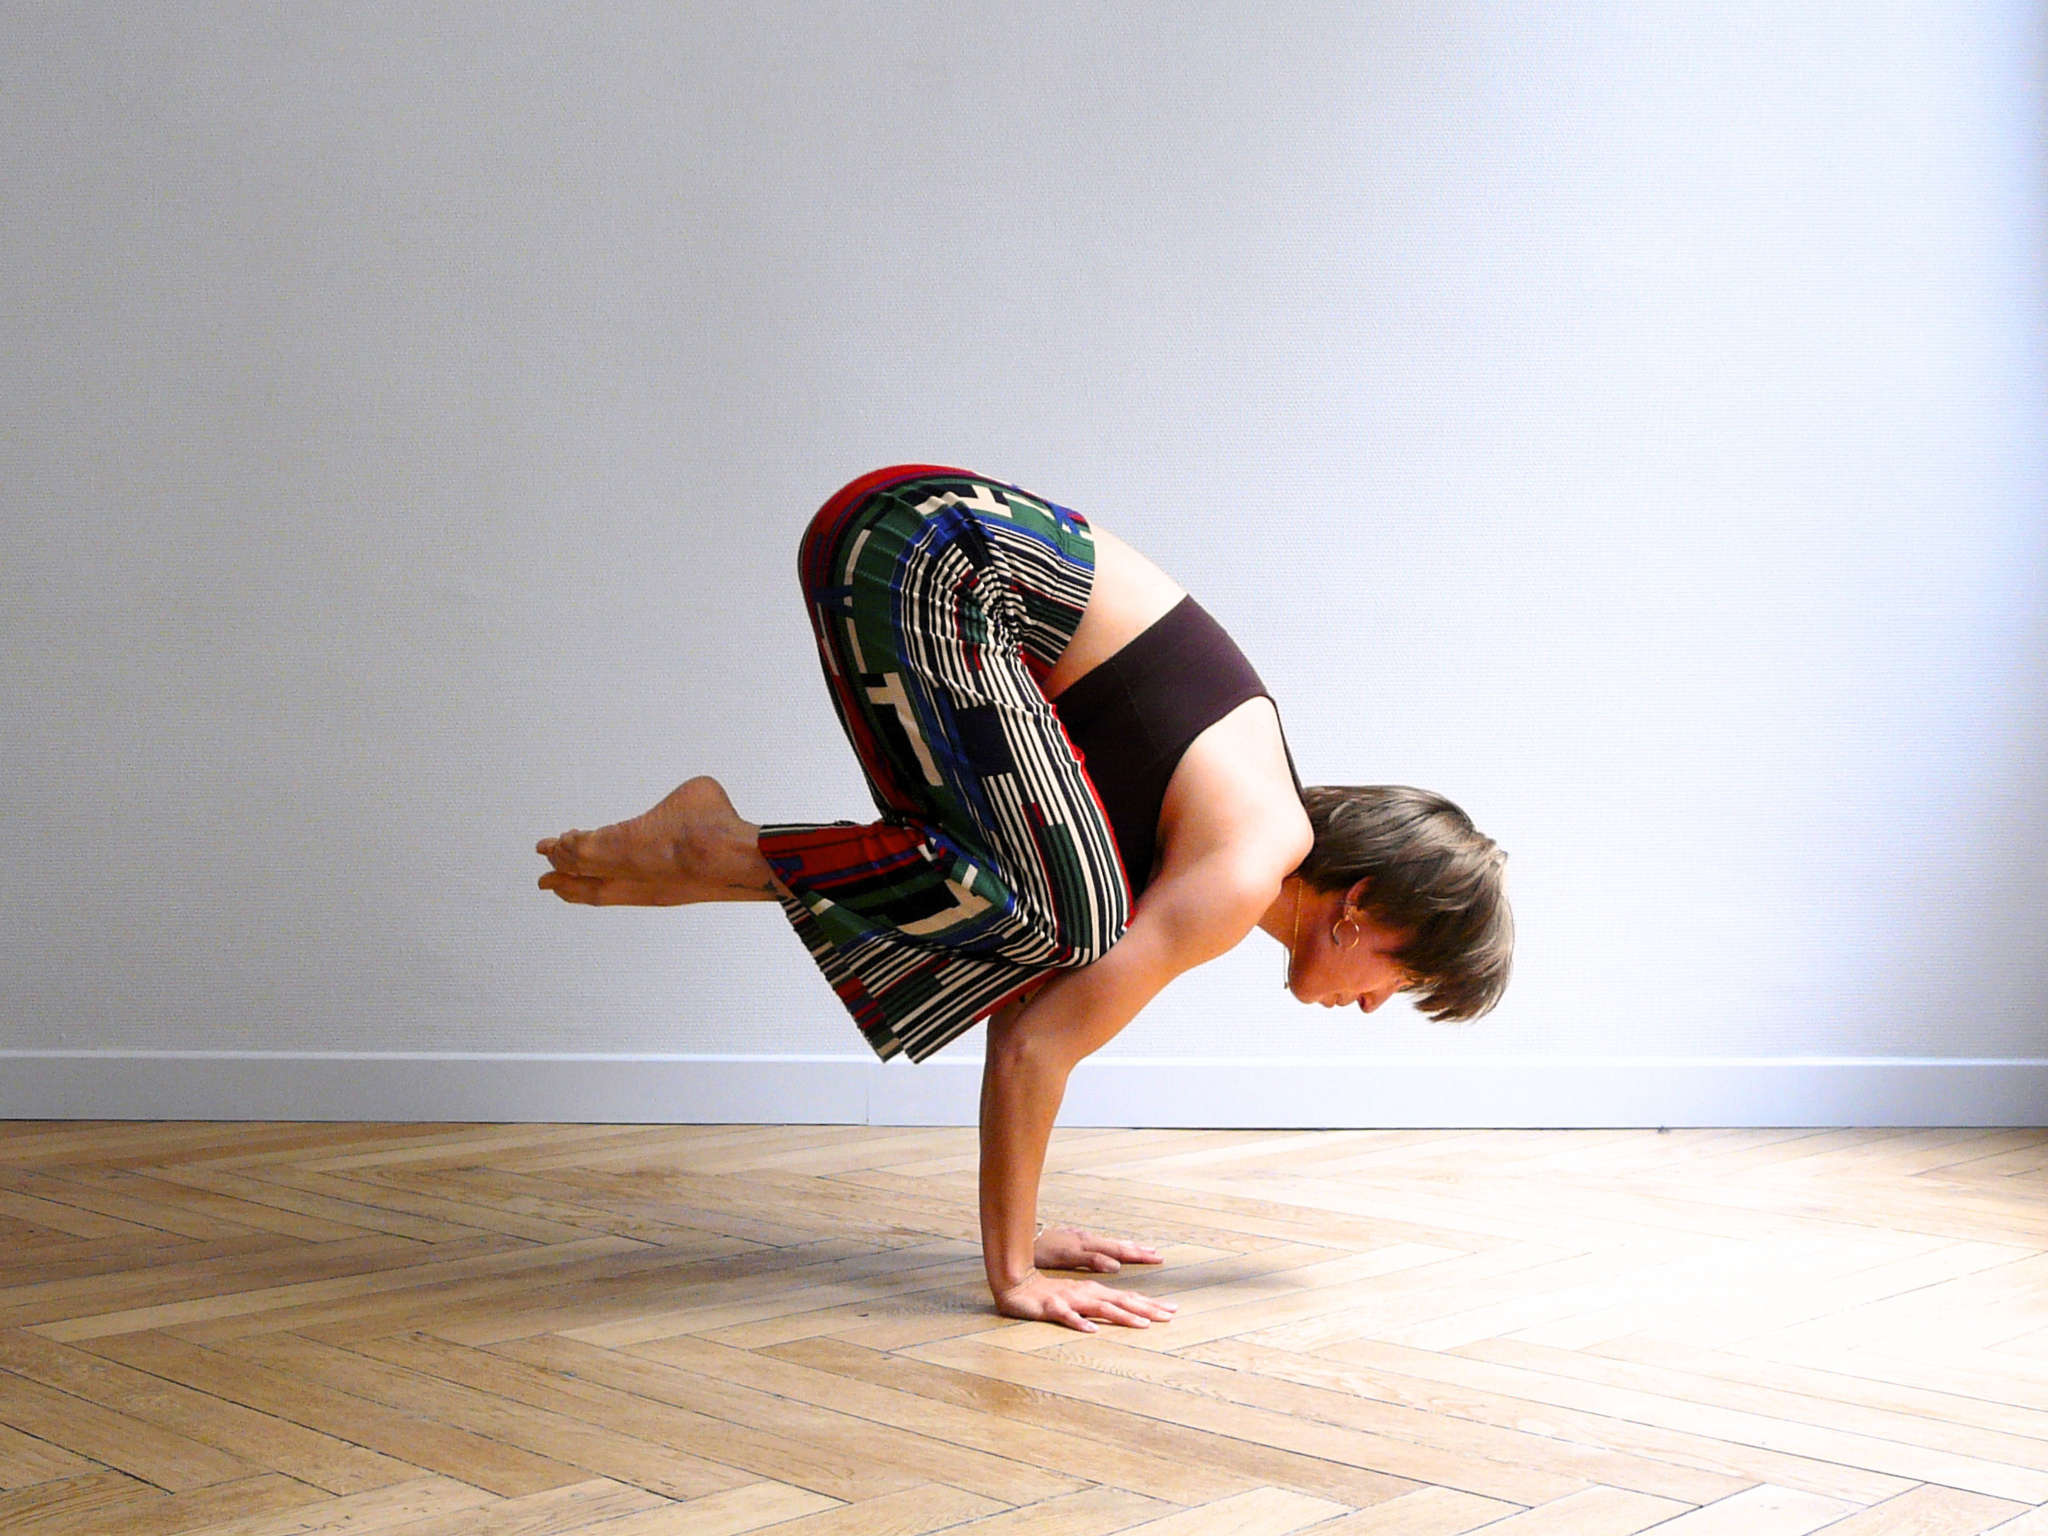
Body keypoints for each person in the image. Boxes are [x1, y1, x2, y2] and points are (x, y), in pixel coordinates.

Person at [537, 465, 1512, 1333]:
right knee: (1068, 920)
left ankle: (718, 849)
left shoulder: (1216, 827)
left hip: (894, 542)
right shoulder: (1246, 860)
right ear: (1362, 904)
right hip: (925, 551)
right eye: (1403, 973)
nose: (1378, 1002)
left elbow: (1028, 1012)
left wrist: (1024, 1227)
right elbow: (1039, 1042)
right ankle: (716, 847)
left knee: (1056, 923)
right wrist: (1009, 1275)